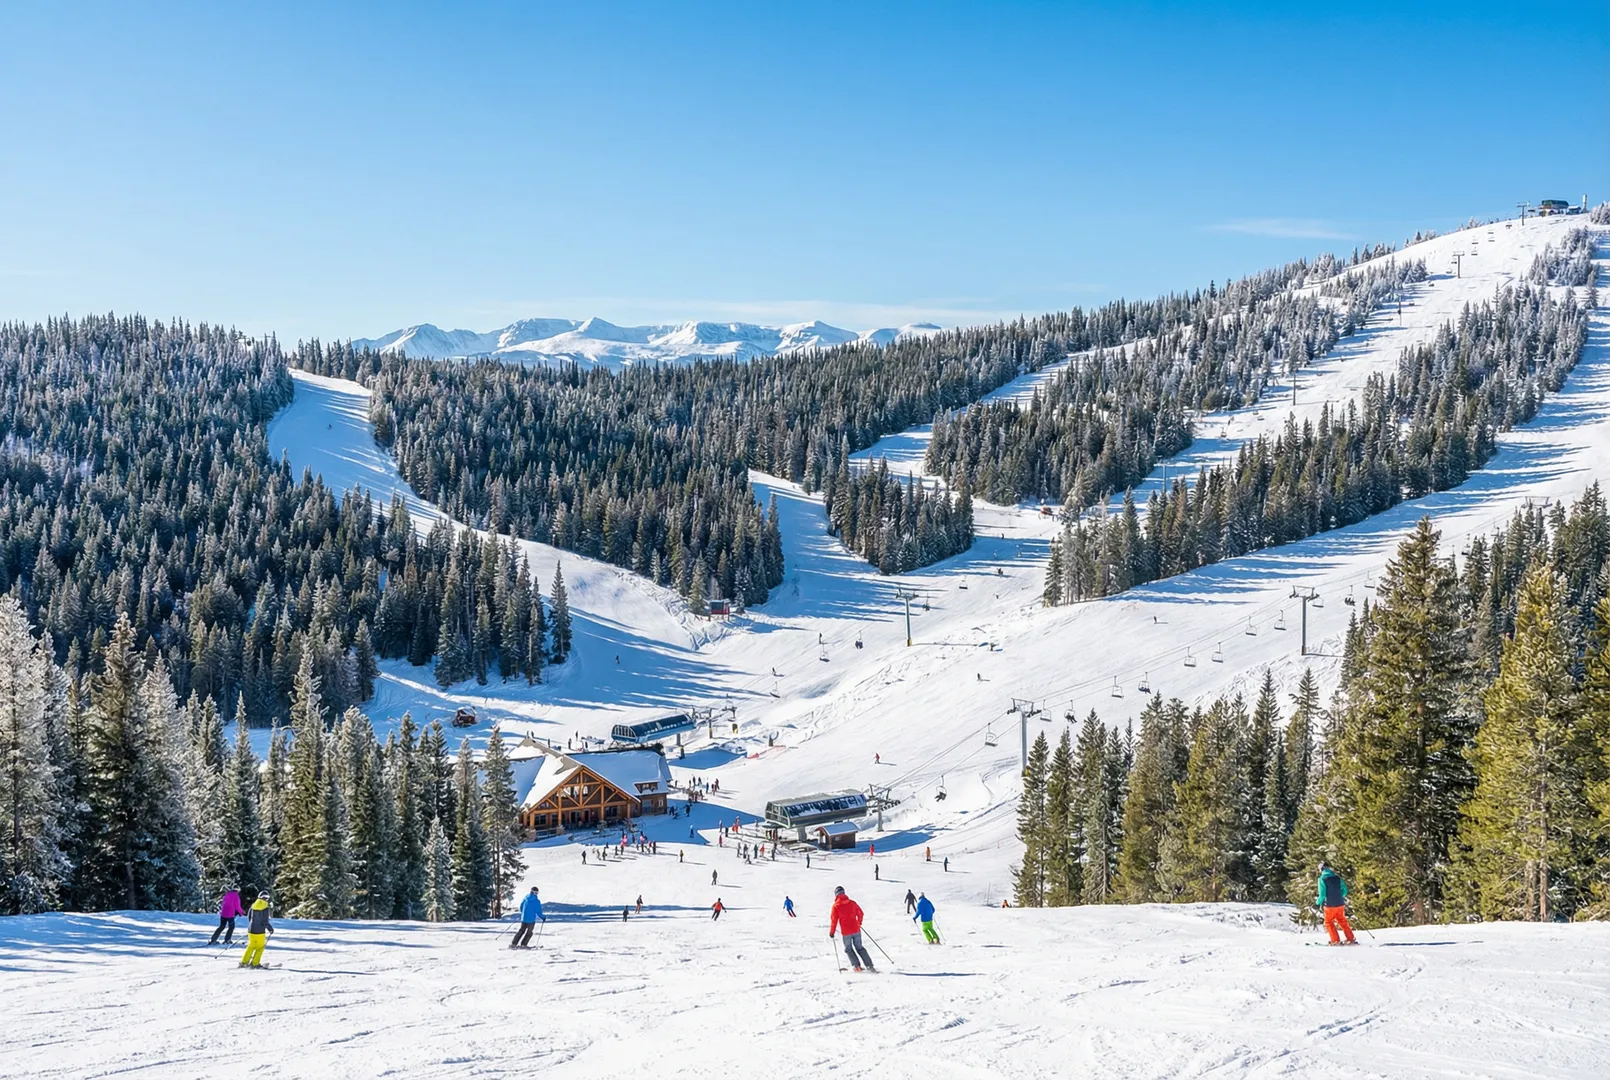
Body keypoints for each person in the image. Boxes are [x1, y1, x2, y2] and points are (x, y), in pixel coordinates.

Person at [829, 886, 875, 972]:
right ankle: (870, 966)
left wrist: (832, 932)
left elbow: (834, 920)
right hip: (856, 929)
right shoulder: (852, 903)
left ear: (836, 895)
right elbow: (860, 913)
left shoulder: (836, 906)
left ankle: (857, 967)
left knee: (849, 949)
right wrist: (859, 923)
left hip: (846, 932)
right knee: (859, 947)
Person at [1316, 861, 1358, 945]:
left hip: (1329, 905)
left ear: (1321, 869)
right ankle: (1350, 938)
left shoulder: (1322, 879)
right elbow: (1345, 890)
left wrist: (1318, 902)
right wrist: (1338, 896)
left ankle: (1335, 940)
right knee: (1342, 920)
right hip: (1340, 904)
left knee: (1329, 922)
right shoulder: (1337, 878)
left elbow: (1322, 894)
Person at [239, 892, 273, 968]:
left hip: (251, 930)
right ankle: (255, 963)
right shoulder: (265, 907)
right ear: (267, 898)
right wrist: (270, 929)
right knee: (260, 947)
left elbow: (249, 917)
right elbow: (265, 921)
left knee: (251, 946)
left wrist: (252, 925)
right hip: (260, 931)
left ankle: (244, 962)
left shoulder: (253, 905)